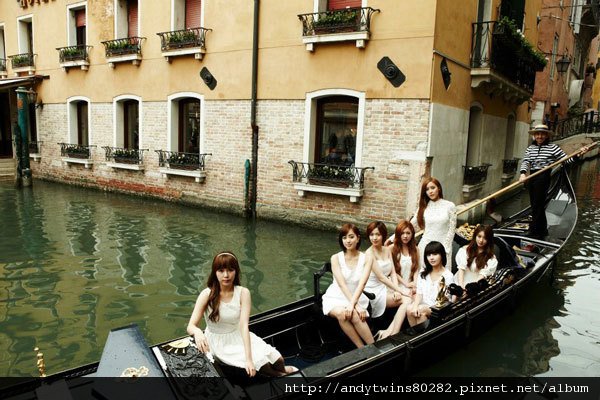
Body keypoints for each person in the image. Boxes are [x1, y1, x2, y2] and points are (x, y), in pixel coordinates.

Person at [187, 252, 297, 377]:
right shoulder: (206, 294)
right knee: (265, 367)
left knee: (279, 360)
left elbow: (244, 326)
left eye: (230, 270)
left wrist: (249, 359)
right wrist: (197, 333)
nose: (226, 275)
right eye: (221, 270)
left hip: (239, 335)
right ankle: (281, 377)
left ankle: (283, 370)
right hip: (219, 343)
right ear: (215, 272)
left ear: (236, 271)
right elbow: (191, 325)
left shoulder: (243, 293)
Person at [519, 124, 591, 239]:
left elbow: (566, 160)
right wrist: (523, 173)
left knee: (537, 204)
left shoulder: (553, 148)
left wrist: (578, 154)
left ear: (547, 136)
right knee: (535, 204)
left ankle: (533, 230)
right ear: (534, 136)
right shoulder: (530, 148)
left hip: (543, 176)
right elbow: (526, 161)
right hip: (532, 176)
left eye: (542, 134)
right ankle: (542, 230)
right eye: (538, 134)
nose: (540, 136)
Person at [321, 223, 374, 348]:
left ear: (358, 238)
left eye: (351, 237)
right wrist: (353, 305)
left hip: (357, 295)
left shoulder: (367, 258)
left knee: (355, 314)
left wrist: (354, 304)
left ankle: (373, 347)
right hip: (336, 296)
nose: (348, 241)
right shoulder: (335, 258)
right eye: (344, 238)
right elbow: (341, 284)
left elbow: (363, 283)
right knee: (342, 314)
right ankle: (361, 348)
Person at [363, 221, 407, 340]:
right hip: (373, 291)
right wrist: (398, 290)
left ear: (383, 235)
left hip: (386, 287)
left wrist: (397, 291)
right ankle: (393, 333)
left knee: (409, 298)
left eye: (378, 234)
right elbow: (381, 277)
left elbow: (393, 272)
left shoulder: (387, 250)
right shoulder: (369, 254)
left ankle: (388, 331)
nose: (374, 238)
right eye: (371, 235)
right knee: (407, 300)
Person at [409, 177, 457, 270]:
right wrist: (393, 238)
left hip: (443, 247)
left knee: (442, 279)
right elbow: (409, 227)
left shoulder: (450, 206)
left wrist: (446, 248)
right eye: (427, 189)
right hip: (425, 246)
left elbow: (452, 230)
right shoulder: (423, 208)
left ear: (438, 188)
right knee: (423, 276)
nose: (430, 191)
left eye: (432, 188)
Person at [407, 241, 454, 327]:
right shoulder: (423, 273)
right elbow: (419, 293)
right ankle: (417, 336)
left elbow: (448, 299)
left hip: (438, 308)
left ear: (441, 255)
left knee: (421, 310)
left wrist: (443, 296)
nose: (431, 258)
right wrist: (415, 306)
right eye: (428, 255)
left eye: (435, 254)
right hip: (424, 305)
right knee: (410, 309)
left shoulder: (448, 275)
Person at [455, 225, 497, 289]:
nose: (481, 240)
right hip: (459, 281)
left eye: (485, 238)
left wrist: (469, 289)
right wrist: (460, 286)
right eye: (479, 236)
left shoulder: (491, 258)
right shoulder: (465, 250)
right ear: (475, 236)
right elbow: (461, 269)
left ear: (489, 240)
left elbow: (482, 275)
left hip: (475, 286)